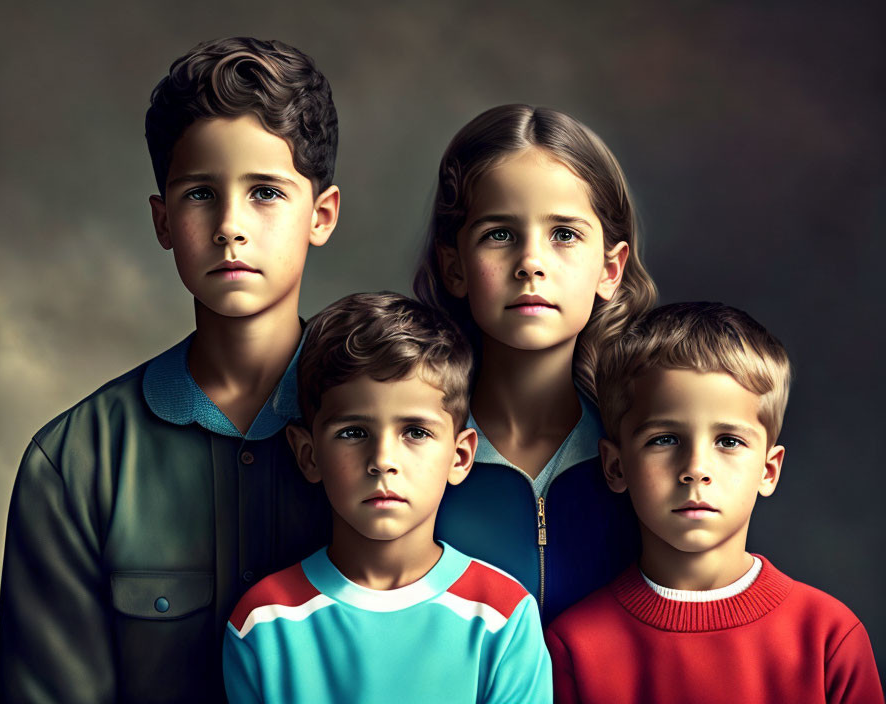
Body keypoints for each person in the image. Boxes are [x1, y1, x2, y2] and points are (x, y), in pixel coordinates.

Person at [0, 37, 339, 703]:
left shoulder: (398, 431)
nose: (230, 226)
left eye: (266, 192)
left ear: (320, 216)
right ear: (162, 220)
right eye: (201, 193)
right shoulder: (73, 464)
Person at [545, 302, 884, 704]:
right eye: (665, 439)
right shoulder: (573, 647)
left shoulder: (829, 638)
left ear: (768, 470)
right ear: (616, 467)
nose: (695, 469)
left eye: (729, 441)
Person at [223, 292, 552, 704]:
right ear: (309, 455)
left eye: (415, 431)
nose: (382, 461)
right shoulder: (263, 622)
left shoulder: (503, 617)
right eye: (353, 432)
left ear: (460, 455)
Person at [414, 104, 657, 623]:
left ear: (610, 270)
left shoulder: (653, 458)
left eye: (564, 234)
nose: (531, 263)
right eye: (499, 234)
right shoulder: (403, 452)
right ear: (454, 267)